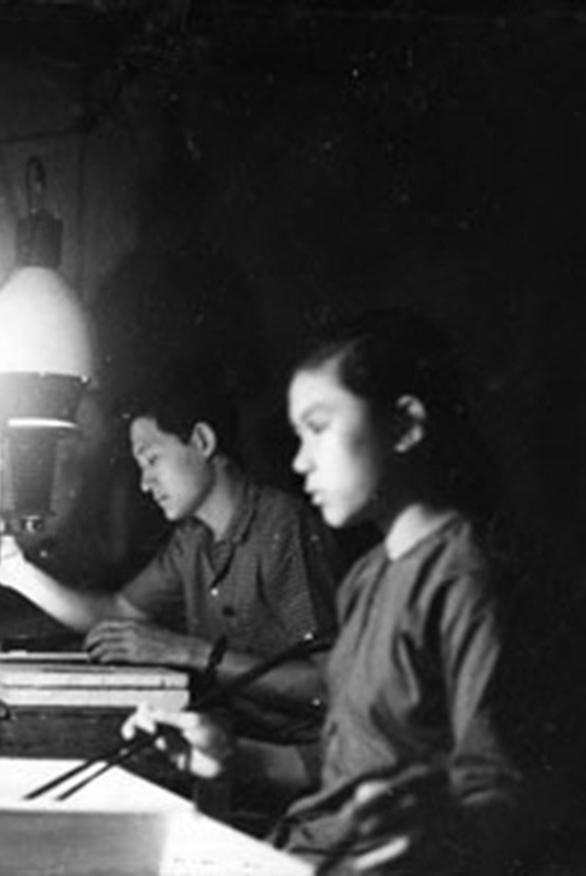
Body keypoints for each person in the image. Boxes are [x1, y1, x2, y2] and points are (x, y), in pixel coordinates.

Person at [123, 309, 524, 875]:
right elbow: (342, 773)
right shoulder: (368, 578)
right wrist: (223, 757)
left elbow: (497, 802)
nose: (299, 461)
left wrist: (430, 830)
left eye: (319, 428)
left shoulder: (464, 580)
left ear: (405, 425)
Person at [0, 360, 342, 801]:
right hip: (232, 755)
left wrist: (187, 651)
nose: (145, 483)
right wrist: (17, 573)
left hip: (312, 776)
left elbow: (329, 684)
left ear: (202, 441)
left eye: (152, 459)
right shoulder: (193, 540)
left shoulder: (281, 526)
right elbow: (117, 614)